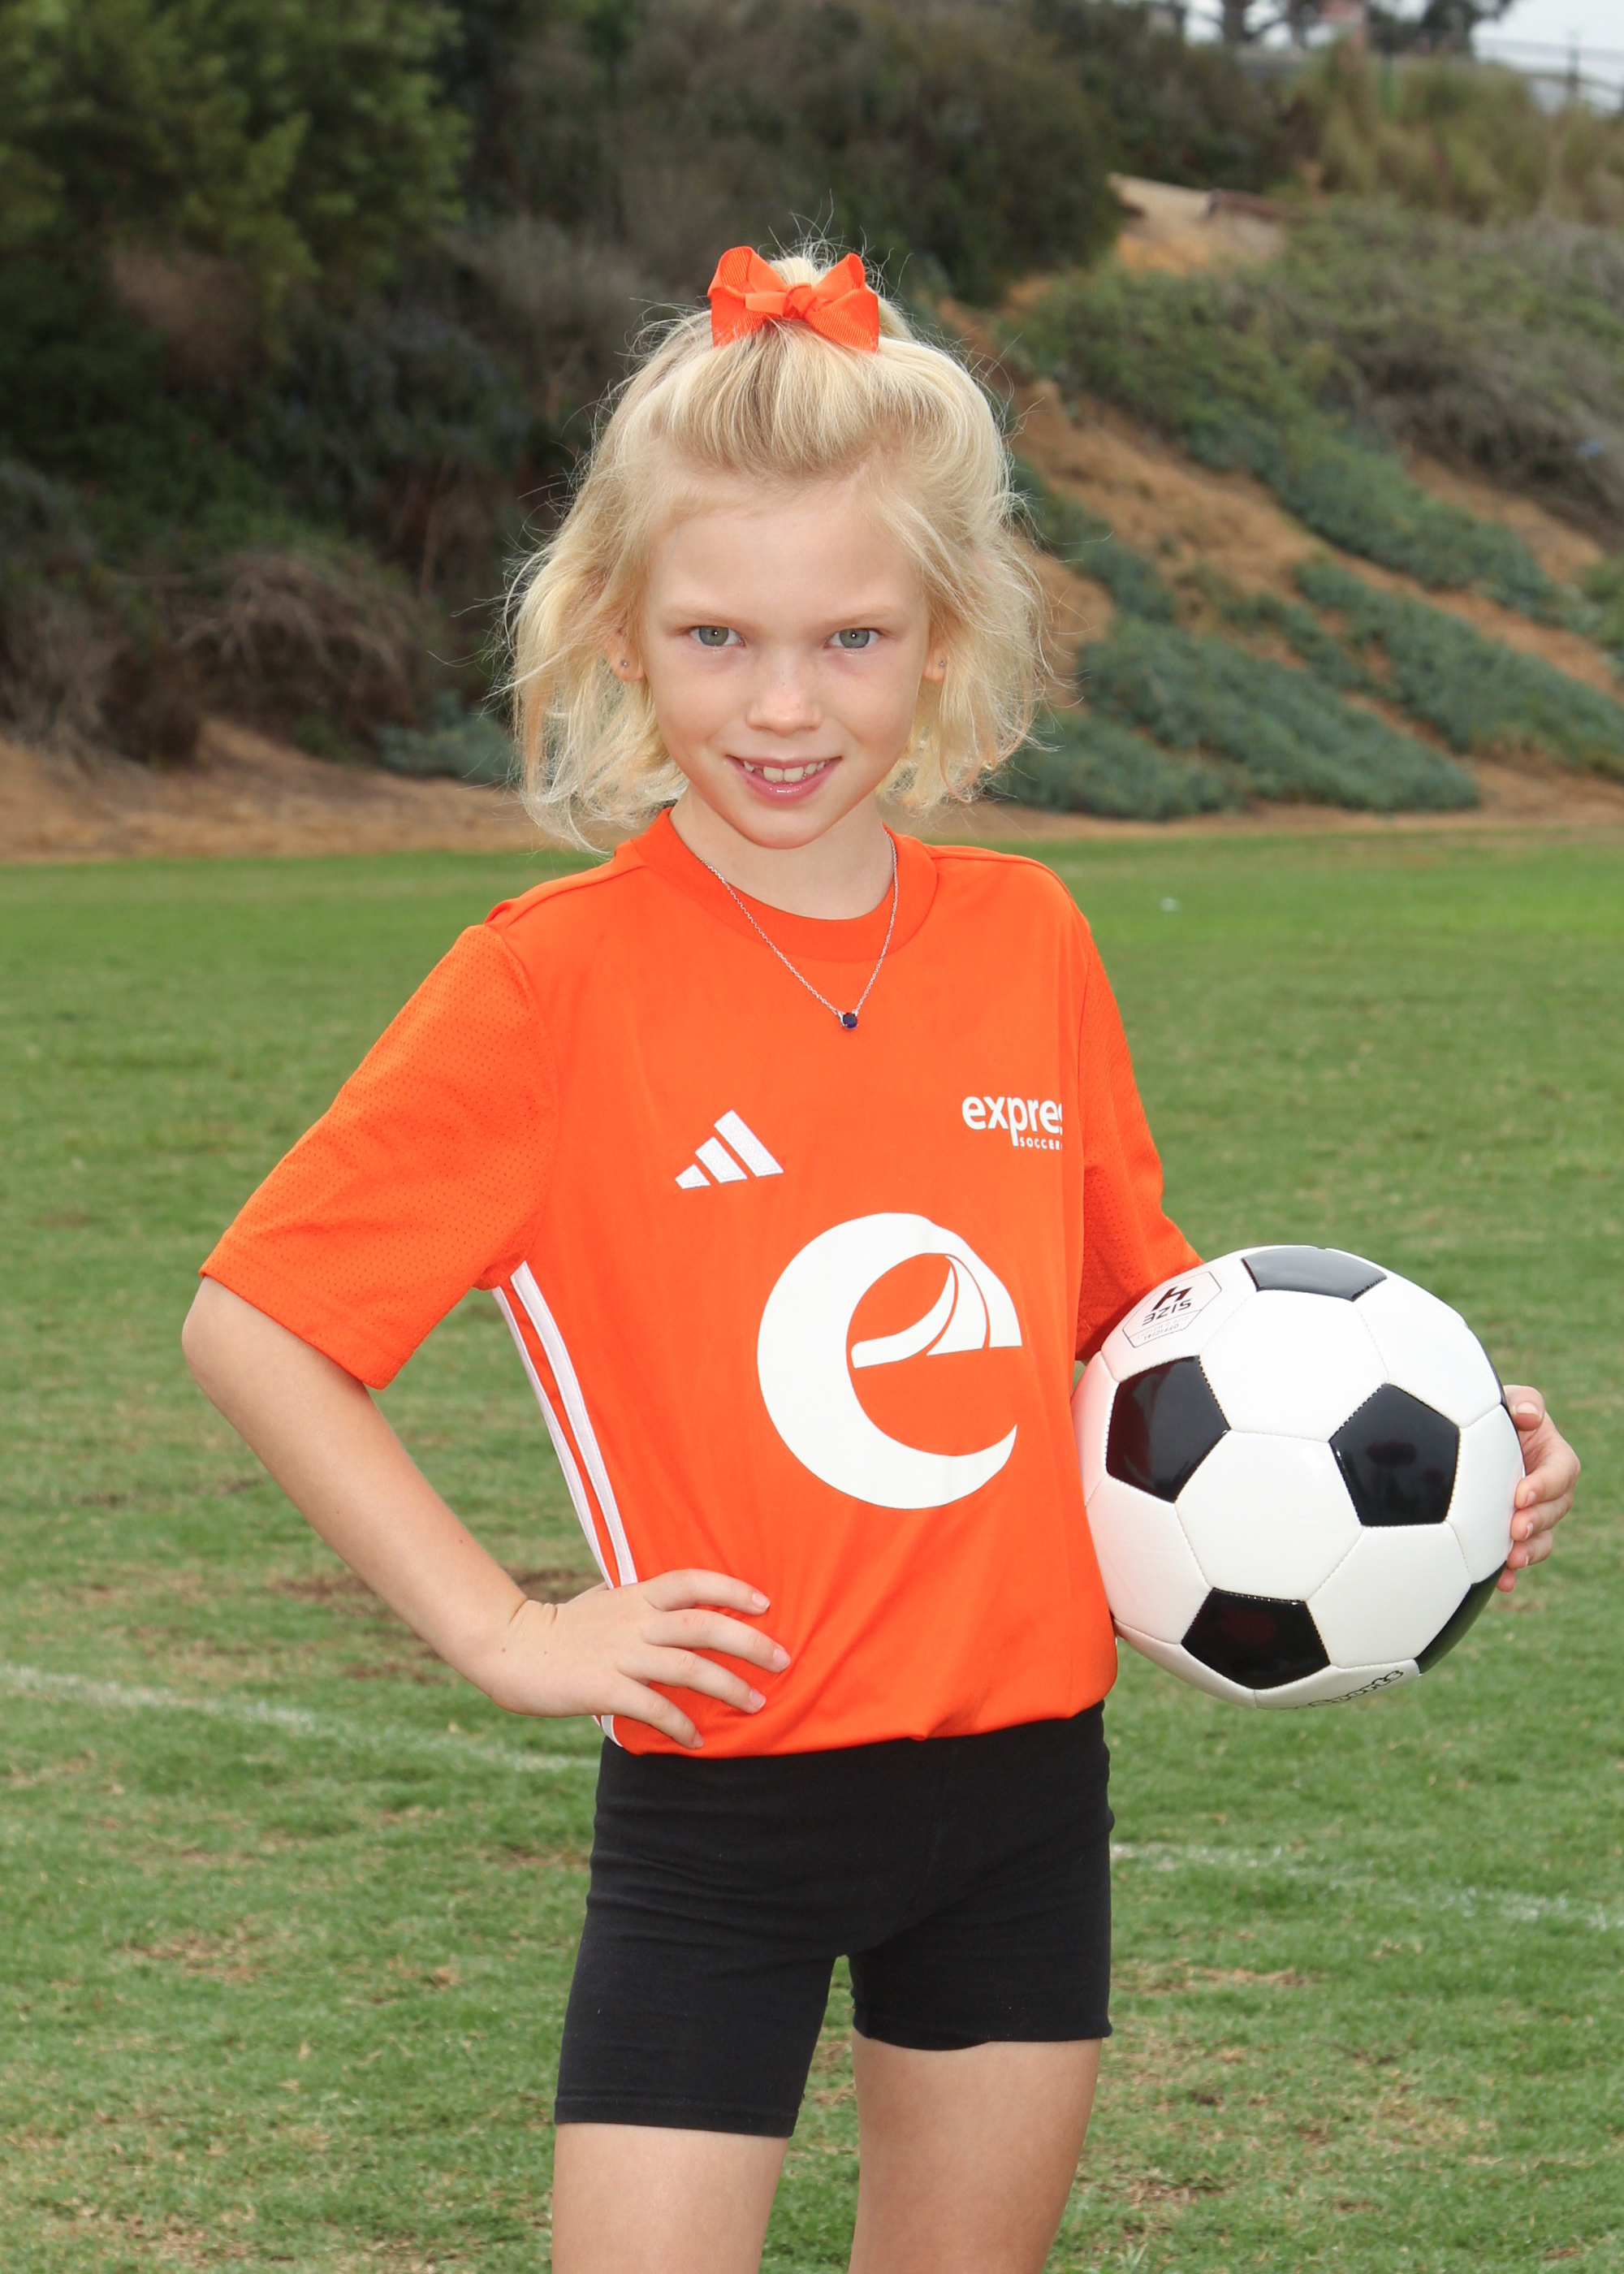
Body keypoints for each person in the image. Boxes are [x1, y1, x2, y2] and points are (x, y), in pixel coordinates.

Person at [181, 247, 1580, 2274]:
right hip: (720, 1810)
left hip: (1021, 1801)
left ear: (942, 639)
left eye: (849, 636)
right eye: (717, 636)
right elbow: (259, 1322)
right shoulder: (546, 986)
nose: (782, 702)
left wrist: (1439, 1463)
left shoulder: (1030, 942)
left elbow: (1149, 1347)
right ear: (618, 629)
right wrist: (502, 1625)